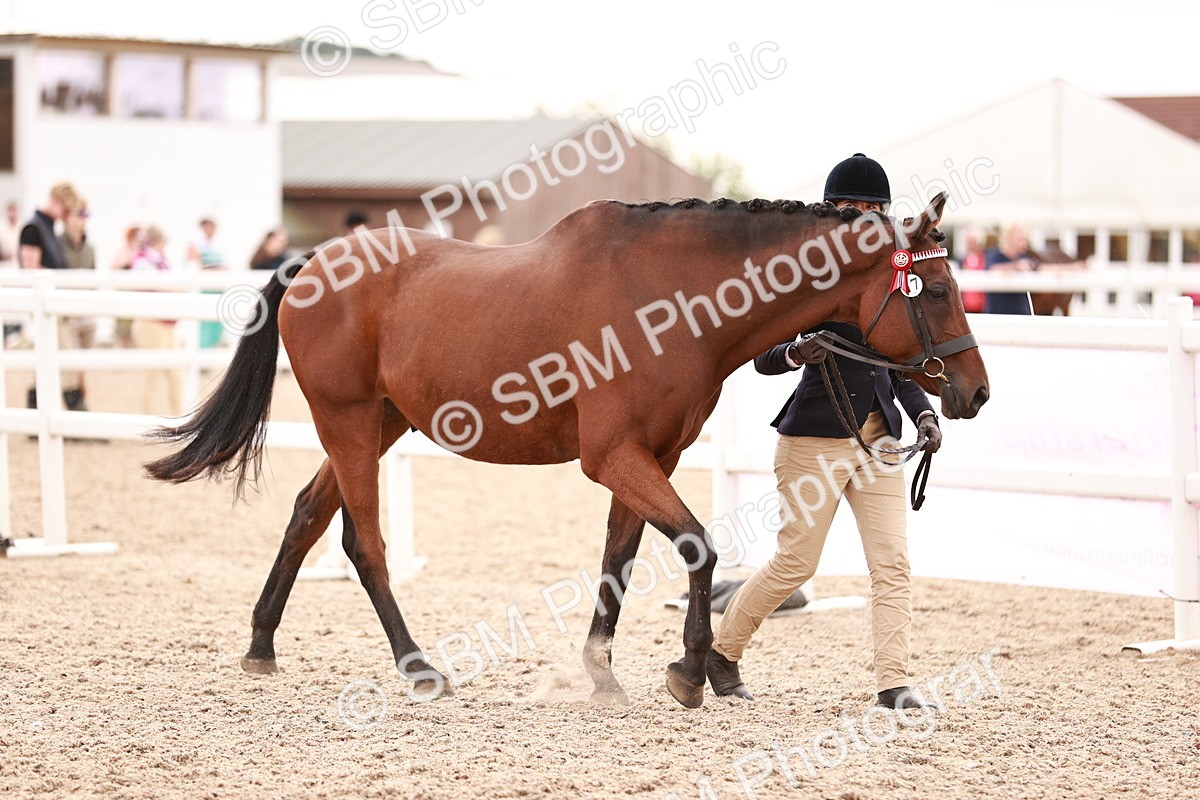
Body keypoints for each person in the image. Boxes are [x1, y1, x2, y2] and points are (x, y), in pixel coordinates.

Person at [707, 154, 942, 710]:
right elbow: (762, 355)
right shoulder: (805, 279)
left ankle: (893, 683)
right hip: (814, 440)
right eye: (851, 207)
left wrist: (923, 413)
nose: (862, 216)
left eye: (872, 208)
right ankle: (721, 653)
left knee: (892, 565)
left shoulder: (889, 280)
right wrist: (796, 350)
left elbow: (897, 364)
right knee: (796, 565)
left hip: (880, 441)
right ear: (831, 210)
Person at [19, 182, 82, 410]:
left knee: (48, 360)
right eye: (66, 210)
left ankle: (36, 413)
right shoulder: (33, 229)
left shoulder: (47, 229)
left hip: (50, 302)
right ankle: (76, 410)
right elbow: (30, 269)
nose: (66, 216)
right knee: (65, 360)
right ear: (57, 202)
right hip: (43, 303)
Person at [130, 226, 181, 415]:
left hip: (166, 323)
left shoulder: (160, 261)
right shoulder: (143, 263)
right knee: (151, 373)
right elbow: (163, 286)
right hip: (150, 322)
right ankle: (146, 416)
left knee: (175, 373)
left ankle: (179, 415)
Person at [56, 202, 97, 410]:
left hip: (85, 311)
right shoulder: (57, 244)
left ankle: (77, 406)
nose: (82, 219)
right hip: (64, 313)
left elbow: (92, 276)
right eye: (78, 214)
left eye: (84, 215)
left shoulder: (89, 248)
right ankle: (77, 409)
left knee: (81, 363)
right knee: (68, 363)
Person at [187, 218, 226, 349]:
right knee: (203, 322)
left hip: (216, 287)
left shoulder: (217, 244)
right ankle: (202, 348)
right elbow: (193, 264)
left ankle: (211, 347)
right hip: (203, 287)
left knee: (216, 320)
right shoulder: (195, 244)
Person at [982, 224, 1036, 315]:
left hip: (1021, 314)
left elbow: (1039, 268)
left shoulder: (1024, 256)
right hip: (997, 313)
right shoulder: (994, 255)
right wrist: (1016, 267)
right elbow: (992, 269)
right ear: (1009, 238)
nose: (1024, 243)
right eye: (1020, 239)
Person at [110, 226, 143, 348]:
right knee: (122, 330)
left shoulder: (140, 253)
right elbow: (114, 268)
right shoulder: (123, 252)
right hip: (122, 296)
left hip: (135, 298)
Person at [958, 225, 987, 313]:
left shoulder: (986, 258)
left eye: (973, 241)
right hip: (964, 307)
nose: (970, 244)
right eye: (968, 241)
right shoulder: (961, 260)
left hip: (982, 307)